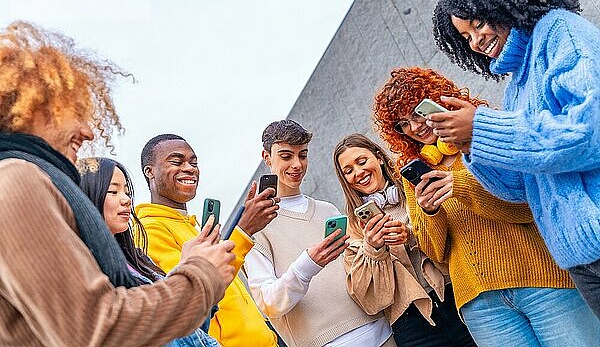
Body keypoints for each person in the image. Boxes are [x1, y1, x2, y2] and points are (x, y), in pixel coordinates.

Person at [0, 21, 235, 346]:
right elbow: (96, 329)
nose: (89, 131)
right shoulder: (15, 178)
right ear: (34, 106)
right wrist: (201, 274)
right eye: (76, 111)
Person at [372, 67, 600, 346]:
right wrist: (431, 212)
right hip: (481, 306)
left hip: (542, 281)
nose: (415, 127)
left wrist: (460, 185)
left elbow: (525, 209)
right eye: (403, 123)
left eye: (417, 112)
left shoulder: (482, 137)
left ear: (437, 100)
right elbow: (435, 253)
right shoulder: (415, 173)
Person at [430, 0, 600, 317]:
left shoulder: (563, 33)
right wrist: (474, 143)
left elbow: (588, 132)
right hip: (579, 259)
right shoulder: (515, 87)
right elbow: (521, 188)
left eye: (478, 24)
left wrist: (484, 125)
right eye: (465, 36)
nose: (475, 41)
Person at [244, 120, 395, 347]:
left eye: (302, 155)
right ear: (267, 158)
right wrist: (308, 264)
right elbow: (268, 303)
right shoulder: (256, 227)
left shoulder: (328, 209)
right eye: (286, 156)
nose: (297, 164)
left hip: (382, 333)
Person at [136, 133, 280, 347]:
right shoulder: (149, 230)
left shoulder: (191, 226)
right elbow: (195, 290)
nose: (189, 168)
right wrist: (244, 230)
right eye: (177, 161)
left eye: (193, 162)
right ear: (150, 171)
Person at [333, 133, 476, 347]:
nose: (358, 172)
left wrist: (410, 234)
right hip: (411, 323)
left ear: (379, 157)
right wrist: (373, 248)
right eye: (348, 171)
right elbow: (367, 299)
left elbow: (455, 234)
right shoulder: (354, 227)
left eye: (362, 161)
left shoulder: (414, 188)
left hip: (455, 296)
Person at [78, 157, 221, 347]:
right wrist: (191, 272)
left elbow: (190, 330)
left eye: (127, 192)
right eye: (113, 191)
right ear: (86, 197)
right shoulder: (89, 271)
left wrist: (194, 270)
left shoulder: (137, 259)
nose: (126, 200)